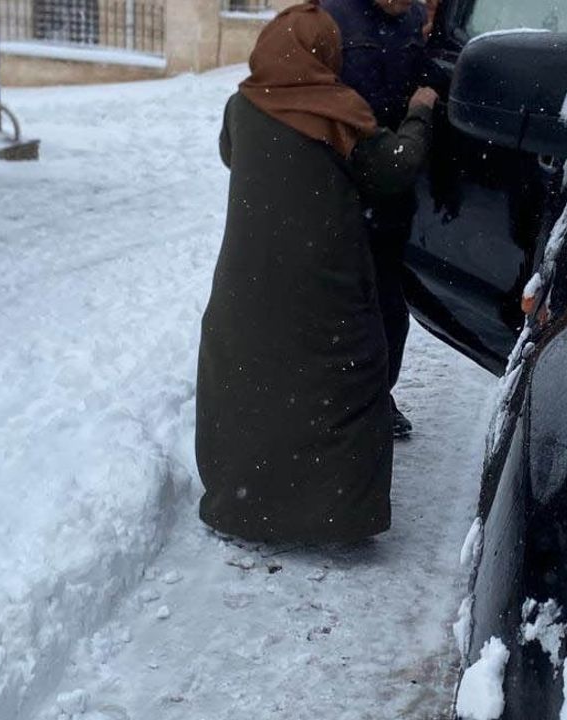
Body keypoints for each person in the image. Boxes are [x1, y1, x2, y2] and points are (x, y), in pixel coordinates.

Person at [195, 2, 438, 544]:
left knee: (251, 378)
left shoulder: (242, 106)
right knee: (346, 371)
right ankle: (334, 514)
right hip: (322, 279)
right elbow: (394, 167)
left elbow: (231, 154)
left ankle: (243, 502)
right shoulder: (338, 112)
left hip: (247, 283)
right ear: (322, 55)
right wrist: (420, 111)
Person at [318, 0, 432, 439]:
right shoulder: (331, 16)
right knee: (342, 312)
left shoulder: (413, 18)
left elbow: (423, 76)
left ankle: (376, 395)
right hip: (344, 191)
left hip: (392, 194)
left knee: (389, 311)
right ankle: (337, 407)